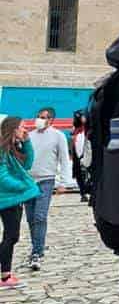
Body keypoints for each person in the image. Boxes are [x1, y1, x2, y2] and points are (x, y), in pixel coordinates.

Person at [25, 105, 72, 270]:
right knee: (31, 218)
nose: (39, 119)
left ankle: (37, 253)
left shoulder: (58, 136)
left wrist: (63, 183)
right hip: (29, 182)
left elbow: (64, 159)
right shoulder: (29, 136)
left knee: (40, 216)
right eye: (38, 116)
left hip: (46, 180)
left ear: (51, 120)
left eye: (43, 117)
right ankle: (37, 245)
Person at [0, 115, 40, 288]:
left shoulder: (15, 146)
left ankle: (5, 273)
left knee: (10, 236)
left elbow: (28, 164)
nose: (25, 129)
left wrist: (27, 143)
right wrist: (22, 186)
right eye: (22, 127)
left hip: (14, 198)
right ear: (13, 128)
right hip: (8, 198)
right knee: (11, 236)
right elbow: (2, 176)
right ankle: (5, 276)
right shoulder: (2, 149)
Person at [70, 111, 90, 203]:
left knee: (87, 173)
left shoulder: (87, 129)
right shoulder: (75, 131)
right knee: (79, 174)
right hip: (78, 155)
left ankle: (88, 192)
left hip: (86, 153)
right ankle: (83, 193)